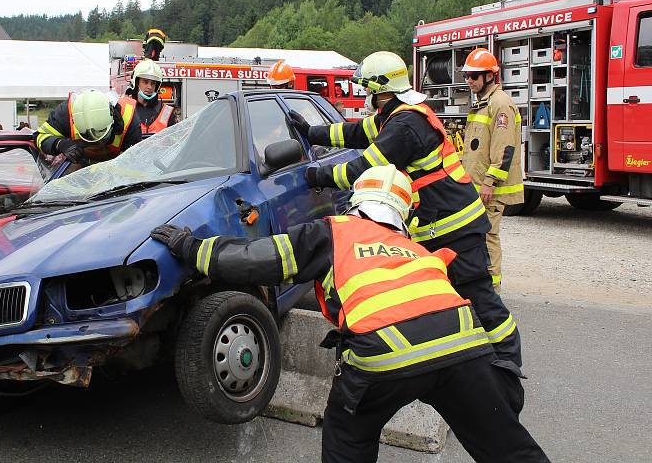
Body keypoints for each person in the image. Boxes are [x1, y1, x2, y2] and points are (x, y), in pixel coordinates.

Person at [151, 165, 549, 463]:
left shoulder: (330, 231)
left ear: (356, 200)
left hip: (384, 354)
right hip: (464, 349)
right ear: (404, 213)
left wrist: (191, 248)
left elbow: (252, 261)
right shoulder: (415, 249)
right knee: (508, 448)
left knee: (348, 436)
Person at [288, 51, 522, 369]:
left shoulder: (405, 125)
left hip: (455, 228)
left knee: (478, 297)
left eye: (369, 92)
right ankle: (464, 359)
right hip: (439, 224)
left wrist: (317, 175)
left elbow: (364, 168)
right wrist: (311, 131)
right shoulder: (399, 113)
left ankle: (508, 363)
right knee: (440, 295)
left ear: (380, 90)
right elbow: (355, 133)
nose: (367, 98)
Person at [461, 49, 524, 293]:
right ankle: (482, 287)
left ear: (490, 76)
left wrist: (490, 182)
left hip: (491, 189)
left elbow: (504, 149)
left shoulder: (500, 105)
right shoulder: (484, 104)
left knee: (487, 237)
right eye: (467, 76)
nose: (469, 81)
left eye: (474, 76)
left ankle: (492, 291)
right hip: (477, 187)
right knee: (477, 236)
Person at [34, 89, 126, 163]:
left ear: (112, 115)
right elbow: (40, 137)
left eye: (102, 133)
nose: (97, 143)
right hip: (80, 173)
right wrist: (61, 144)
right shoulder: (65, 114)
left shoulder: (128, 117)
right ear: (74, 120)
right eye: (88, 136)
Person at [114, 58, 177, 152]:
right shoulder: (123, 108)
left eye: (153, 83)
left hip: (157, 164)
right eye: (145, 82)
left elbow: (176, 144)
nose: (149, 87)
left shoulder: (167, 112)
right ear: (136, 82)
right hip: (129, 163)